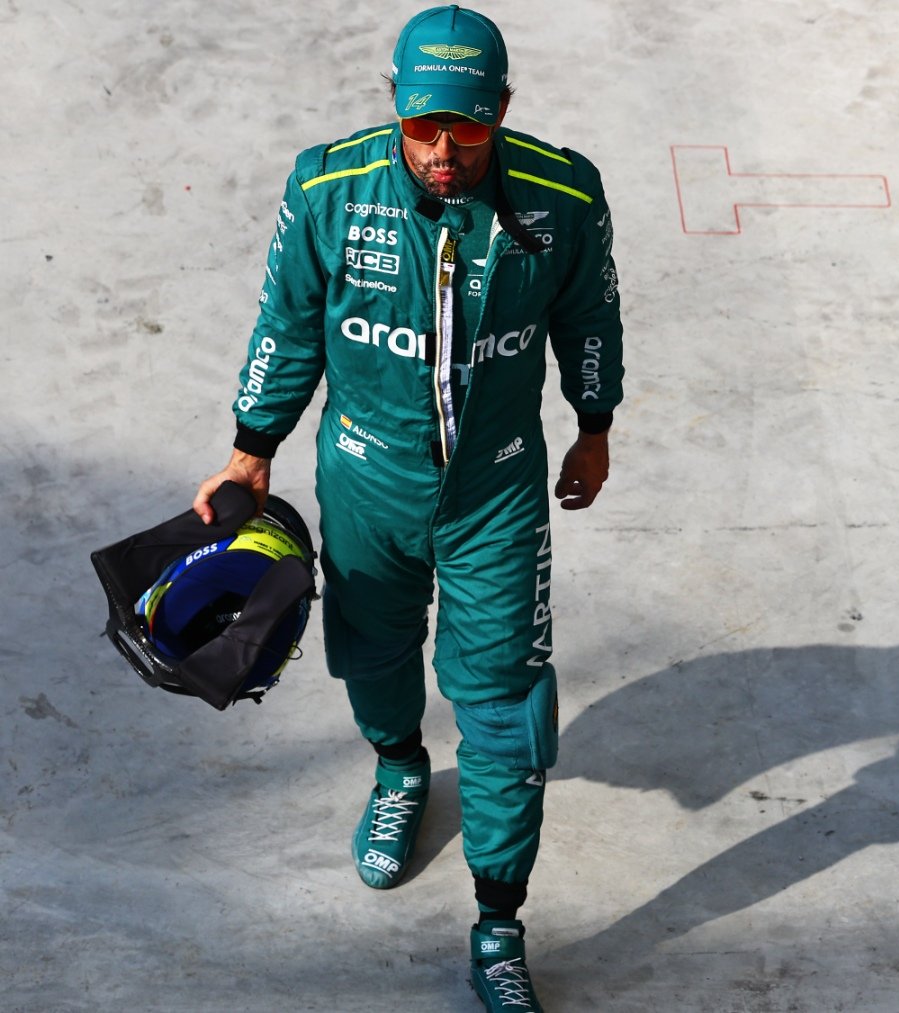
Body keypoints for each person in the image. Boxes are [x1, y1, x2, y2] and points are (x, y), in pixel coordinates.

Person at [192, 6, 622, 1009]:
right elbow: (287, 318)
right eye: (423, 127)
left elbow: (590, 312)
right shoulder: (328, 187)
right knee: (372, 655)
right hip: (366, 481)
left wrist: (593, 423)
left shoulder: (563, 194)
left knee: (510, 712)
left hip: (497, 493)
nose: (441, 152)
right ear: (394, 108)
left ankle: (499, 923)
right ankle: (397, 773)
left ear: (502, 112)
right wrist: (251, 446)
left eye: (467, 130)